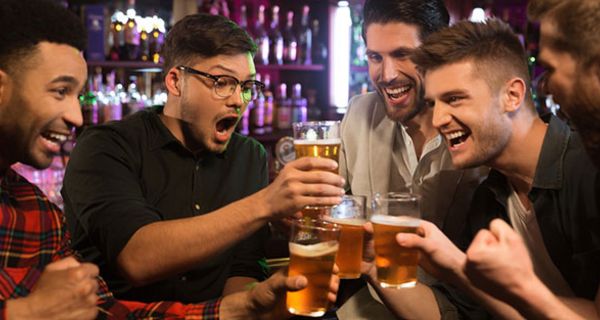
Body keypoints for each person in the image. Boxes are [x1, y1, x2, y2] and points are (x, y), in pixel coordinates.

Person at [0, 0, 338, 318]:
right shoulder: (108, 146)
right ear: (175, 81)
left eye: (247, 86)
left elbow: (242, 267)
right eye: (223, 83)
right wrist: (265, 204)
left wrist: (248, 304)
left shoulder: (35, 210)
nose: (238, 100)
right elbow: (137, 259)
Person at [396, 18, 600, 319]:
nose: (438, 119)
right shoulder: (488, 199)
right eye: (433, 104)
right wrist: (372, 266)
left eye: (454, 99)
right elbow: (454, 313)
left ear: (512, 96)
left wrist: (459, 267)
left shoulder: (589, 172)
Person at [337, 0, 487, 319]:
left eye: (402, 55)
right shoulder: (359, 113)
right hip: (366, 307)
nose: (387, 75)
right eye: (375, 57)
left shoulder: (481, 131)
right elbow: (327, 209)